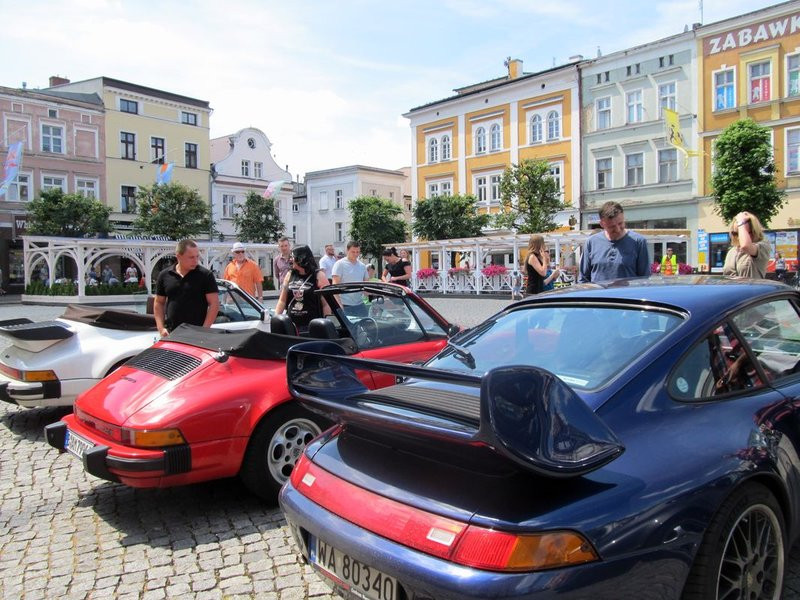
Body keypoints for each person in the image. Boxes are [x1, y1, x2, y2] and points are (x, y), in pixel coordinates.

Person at [154, 239, 219, 337]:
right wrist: (161, 328)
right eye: (191, 257)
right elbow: (159, 302)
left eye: (197, 256)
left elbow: (214, 303)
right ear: (178, 256)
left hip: (197, 334)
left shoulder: (205, 275)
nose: (195, 260)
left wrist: (204, 330)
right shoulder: (165, 275)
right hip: (172, 333)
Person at [579, 201, 650, 283]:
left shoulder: (638, 242)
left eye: (620, 223)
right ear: (602, 224)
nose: (618, 229)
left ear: (624, 218)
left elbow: (644, 279)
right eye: (612, 226)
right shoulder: (591, 242)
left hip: (626, 295)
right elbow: (584, 279)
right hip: (598, 295)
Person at [274, 245, 332, 332]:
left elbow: (326, 304)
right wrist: (275, 319)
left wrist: (326, 325)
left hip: (312, 326)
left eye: (292, 257)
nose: (290, 259)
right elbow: (282, 301)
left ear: (301, 258)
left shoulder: (319, 276)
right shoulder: (290, 274)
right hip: (292, 325)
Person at [722, 211, 771, 279]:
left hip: (752, 289)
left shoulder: (762, 246)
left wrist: (741, 223)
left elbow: (745, 246)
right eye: (735, 233)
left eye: (742, 232)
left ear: (754, 231)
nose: (739, 237)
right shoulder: (732, 251)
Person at [332, 241, 369, 316]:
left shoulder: (362, 266)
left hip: (359, 304)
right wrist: (339, 305)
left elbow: (366, 286)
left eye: (358, 252)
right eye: (353, 252)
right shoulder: (340, 264)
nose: (356, 254)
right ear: (347, 250)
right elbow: (335, 286)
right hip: (345, 304)